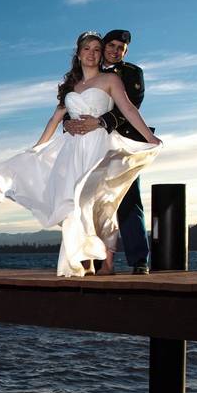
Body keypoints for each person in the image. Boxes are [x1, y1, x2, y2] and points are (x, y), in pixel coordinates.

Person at [0, 30, 162, 277]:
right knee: (77, 201)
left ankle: (130, 260)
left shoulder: (122, 76)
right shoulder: (70, 86)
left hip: (107, 146)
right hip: (75, 149)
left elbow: (128, 107)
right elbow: (58, 117)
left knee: (112, 201)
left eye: (101, 49)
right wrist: (38, 148)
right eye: (91, 49)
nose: (97, 53)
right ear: (80, 53)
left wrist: (148, 137)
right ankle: (87, 259)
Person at [64, 29, 152, 273]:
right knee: (89, 201)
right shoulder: (90, 73)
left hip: (121, 144)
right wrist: (68, 124)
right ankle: (99, 260)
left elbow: (130, 108)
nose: (115, 51)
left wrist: (101, 122)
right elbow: (72, 103)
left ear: (126, 52)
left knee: (127, 199)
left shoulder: (132, 73)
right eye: (110, 46)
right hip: (88, 146)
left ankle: (139, 260)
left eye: (120, 48)